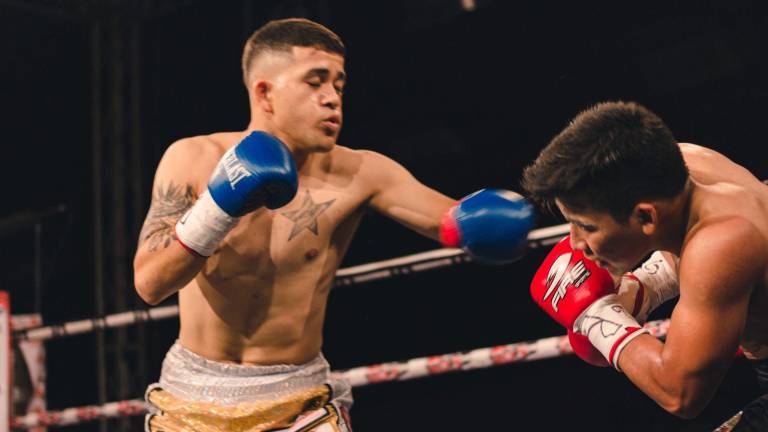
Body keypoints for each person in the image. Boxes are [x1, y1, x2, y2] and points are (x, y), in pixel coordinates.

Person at [133, 17, 533, 432]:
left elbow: (453, 220)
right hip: (192, 399)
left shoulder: (362, 172)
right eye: (315, 82)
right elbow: (150, 284)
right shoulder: (193, 159)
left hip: (297, 403)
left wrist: (488, 223)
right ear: (265, 93)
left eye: (339, 86)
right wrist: (219, 206)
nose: (331, 99)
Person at [523, 101, 768, 430]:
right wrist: (646, 287)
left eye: (587, 226)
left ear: (645, 217)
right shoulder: (683, 165)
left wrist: (597, 317)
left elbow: (679, 393)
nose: (576, 242)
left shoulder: (722, 243)